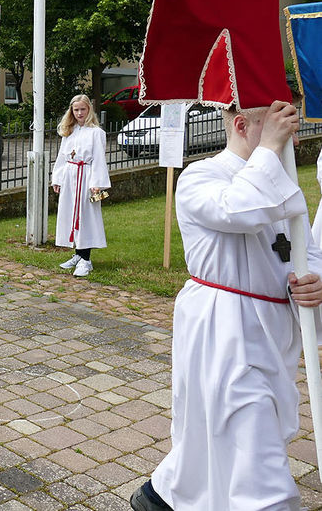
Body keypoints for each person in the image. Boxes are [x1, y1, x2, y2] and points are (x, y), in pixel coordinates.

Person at [130, 100, 322, 511]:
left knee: (220, 436)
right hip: (225, 332)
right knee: (253, 449)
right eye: (277, 126)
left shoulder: (280, 178)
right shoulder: (202, 176)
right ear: (242, 124)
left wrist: (313, 285)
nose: (289, 137)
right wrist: (270, 149)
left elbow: (307, 253)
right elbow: (237, 209)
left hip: (272, 333)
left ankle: (163, 495)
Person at [51, 94, 110, 277]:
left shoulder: (96, 133)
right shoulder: (69, 131)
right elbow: (62, 156)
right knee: (71, 214)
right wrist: (58, 178)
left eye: (83, 109)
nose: (79, 113)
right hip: (70, 177)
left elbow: (99, 159)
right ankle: (77, 254)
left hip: (87, 176)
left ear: (89, 110)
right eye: (76, 110)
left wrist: (97, 183)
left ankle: (86, 259)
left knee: (86, 216)